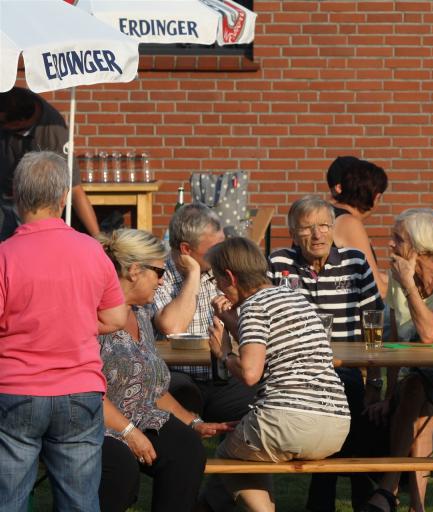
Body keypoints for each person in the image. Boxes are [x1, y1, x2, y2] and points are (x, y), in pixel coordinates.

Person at [0, 151, 126, 511]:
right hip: (80, 390)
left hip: (15, 389)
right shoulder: (92, 251)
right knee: (80, 501)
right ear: (64, 197)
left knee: (8, 500)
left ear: (16, 194)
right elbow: (116, 318)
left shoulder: (5, 255)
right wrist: (76, 320)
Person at [200, 237, 351, 512]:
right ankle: (203, 508)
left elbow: (250, 373)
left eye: (215, 279)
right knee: (248, 442)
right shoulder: (295, 299)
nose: (216, 287)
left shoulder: (254, 306)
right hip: (336, 425)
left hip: (288, 423)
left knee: (227, 456)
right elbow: (270, 347)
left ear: (230, 277)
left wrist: (223, 353)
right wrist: (232, 322)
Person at [98, 229, 233, 512]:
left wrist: (194, 423)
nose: (162, 281)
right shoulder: (95, 315)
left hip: (141, 417)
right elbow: (85, 390)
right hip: (97, 422)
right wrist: (129, 432)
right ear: (134, 271)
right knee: (121, 470)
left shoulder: (141, 314)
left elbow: (154, 389)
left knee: (187, 449)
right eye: (159, 272)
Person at [267, 195, 385, 512]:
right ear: (293, 233)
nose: (318, 235)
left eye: (324, 226)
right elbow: (265, 317)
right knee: (344, 403)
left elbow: (373, 321)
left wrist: (375, 383)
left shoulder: (355, 262)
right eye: (308, 228)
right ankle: (362, 495)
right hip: (295, 371)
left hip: (345, 370)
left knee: (348, 394)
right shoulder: (278, 264)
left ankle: (324, 500)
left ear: (334, 228)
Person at [362, 208, 433, 512]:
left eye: (398, 239)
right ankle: (416, 507)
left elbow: (429, 334)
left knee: (418, 390)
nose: (390, 245)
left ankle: (388, 488)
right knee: (417, 396)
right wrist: (388, 396)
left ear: (421, 246)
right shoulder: (400, 274)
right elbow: (396, 343)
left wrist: (409, 284)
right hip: (418, 383)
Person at [152, 202, 255, 422]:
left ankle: (238, 443)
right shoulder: (160, 275)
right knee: (180, 393)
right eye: (214, 248)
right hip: (178, 376)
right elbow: (172, 328)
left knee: (256, 395)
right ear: (186, 250)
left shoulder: (224, 272)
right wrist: (193, 274)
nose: (222, 254)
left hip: (222, 375)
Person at [0, 87, 100, 239]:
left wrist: (98, 237)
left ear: (19, 122)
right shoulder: (11, 96)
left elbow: (75, 189)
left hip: (31, 204)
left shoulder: (54, 133)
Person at [327, 156, 389, 297]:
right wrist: (411, 290)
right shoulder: (348, 223)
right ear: (376, 197)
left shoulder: (327, 213)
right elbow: (376, 289)